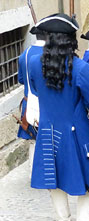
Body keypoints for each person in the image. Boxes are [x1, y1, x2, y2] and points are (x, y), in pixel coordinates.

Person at [29, 13, 89, 221]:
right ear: (70, 40)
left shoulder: (34, 63)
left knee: (54, 181)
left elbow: (35, 89)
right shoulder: (80, 68)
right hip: (76, 133)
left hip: (47, 131)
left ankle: (62, 220)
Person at [17, 24, 47, 178]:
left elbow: (21, 79)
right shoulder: (50, 55)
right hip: (47, 103)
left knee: (32, 140)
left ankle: (33, 174)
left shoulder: (24, 55)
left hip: (29, 103)